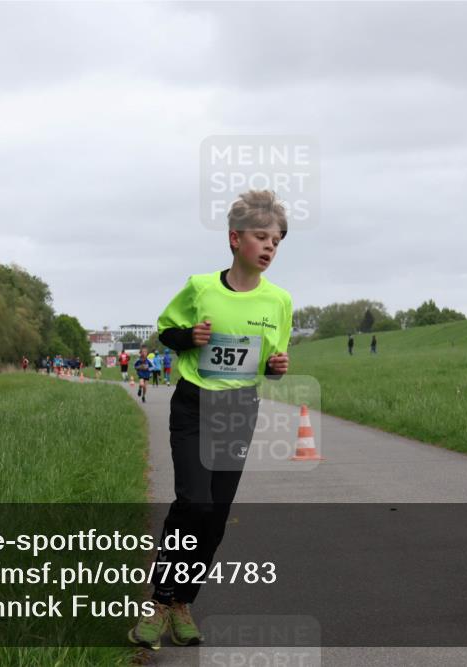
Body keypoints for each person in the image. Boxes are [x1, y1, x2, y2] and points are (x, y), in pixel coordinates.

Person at [128, 190, 291, 651]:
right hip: (194, 405)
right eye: (261, 237)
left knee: (215, 517)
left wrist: (277, 367)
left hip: (239, 410)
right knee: (194, 503)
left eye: (276, 241)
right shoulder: (201, 287)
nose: (270, 247)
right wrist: (188, 336)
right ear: (234, 239)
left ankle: (183, 604)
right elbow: (166, 329)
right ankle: (159, 602)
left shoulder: (279, 301)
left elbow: (269, 358)